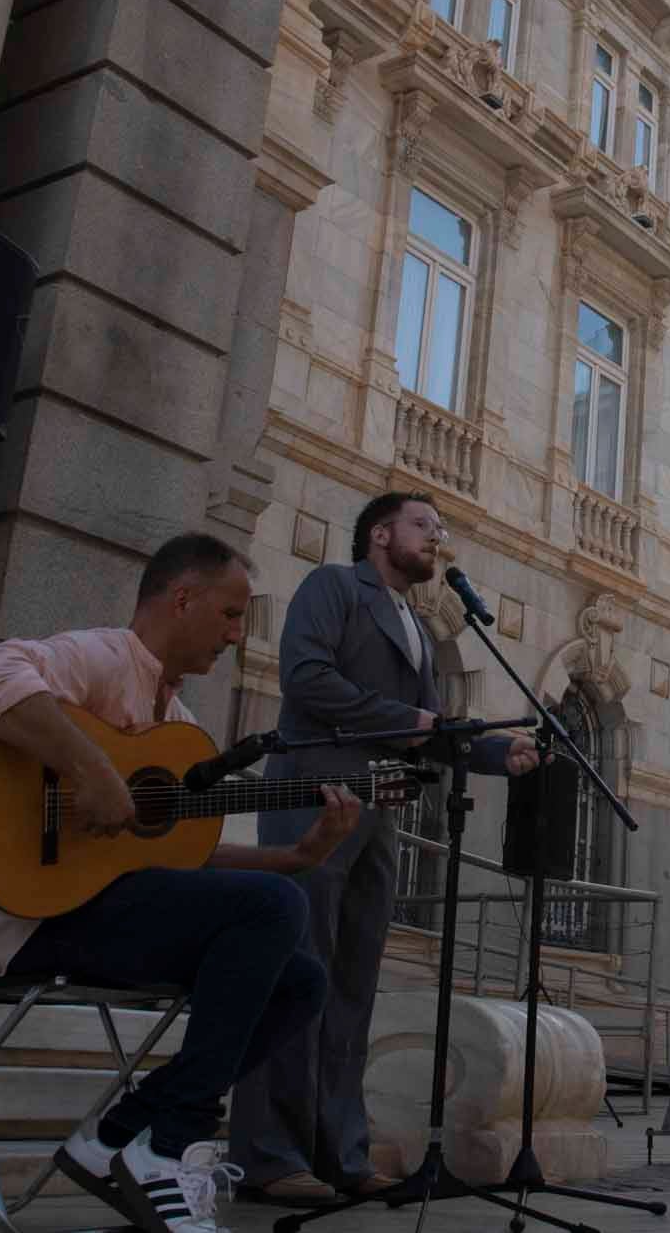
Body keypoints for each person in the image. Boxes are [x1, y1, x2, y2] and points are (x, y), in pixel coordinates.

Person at [0, 533, 365, 1233]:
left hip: (108, 913)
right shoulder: (103, 656)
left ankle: (120, 1131)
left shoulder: (180, 728)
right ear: (183, 598)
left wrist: (297, 854)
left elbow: (186, 859)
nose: (236, 635)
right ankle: (171, 1143)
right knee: (273, 912)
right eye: (231, 615)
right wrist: (94, 769)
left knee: (303, 979)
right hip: (35, 919)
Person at [229, 492, 539, 1205]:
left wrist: (496, 754)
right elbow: (305, 676)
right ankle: (268, 1154)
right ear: (380, 533)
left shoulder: (419, 629)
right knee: (296, 969)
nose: (439, 538)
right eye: (425, 525)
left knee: (353, 985)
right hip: (314, 797)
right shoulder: (334, 587)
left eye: (443, 530)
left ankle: (341, 1151)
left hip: (382, 812)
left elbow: (430, 731)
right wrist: (410, 718)